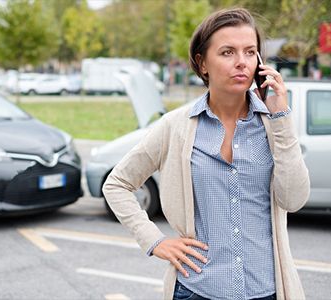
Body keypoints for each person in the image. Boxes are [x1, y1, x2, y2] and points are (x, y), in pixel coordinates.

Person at [103, 8, 309, 300]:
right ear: (202, 64)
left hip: (266, 291)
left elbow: (294, 199)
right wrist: (154, 241)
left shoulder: (274, 124)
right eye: (227, 52)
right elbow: (117, 184)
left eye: (250, 52)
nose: (242, 62)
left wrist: (281, 118)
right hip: (197, 290)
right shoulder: (175, 127)